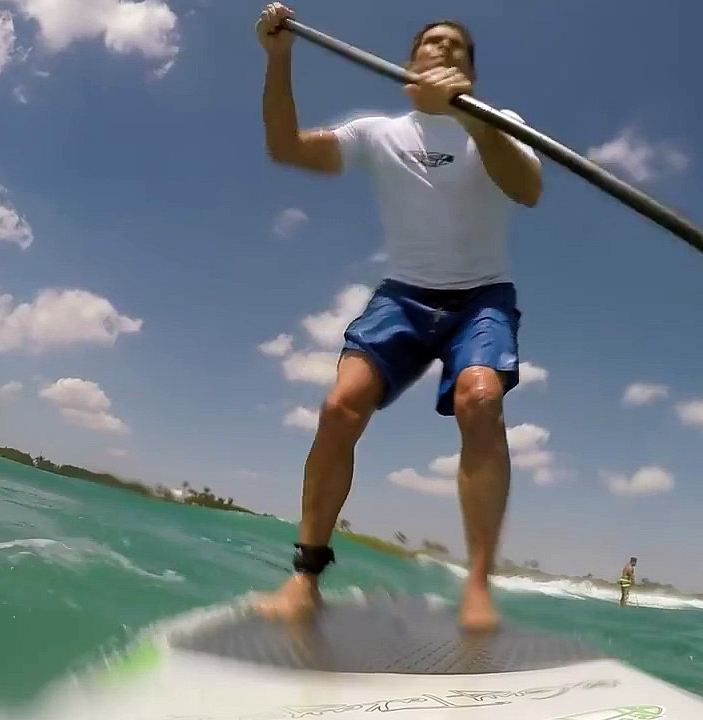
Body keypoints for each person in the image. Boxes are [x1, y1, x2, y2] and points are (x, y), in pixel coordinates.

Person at [252, 2, 542, 632]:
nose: (442, 50)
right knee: (339, 407)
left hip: (482, 297)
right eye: (430, 43)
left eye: (456, 48)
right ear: (411, 63)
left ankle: (477, 588)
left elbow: (527, 189)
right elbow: (284, 147)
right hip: (404, 295)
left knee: (480, 399)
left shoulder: (500, 123)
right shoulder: (376, 133)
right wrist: (280, 59)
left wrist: (476, 116)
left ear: (469, 71)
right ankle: (304, 578)